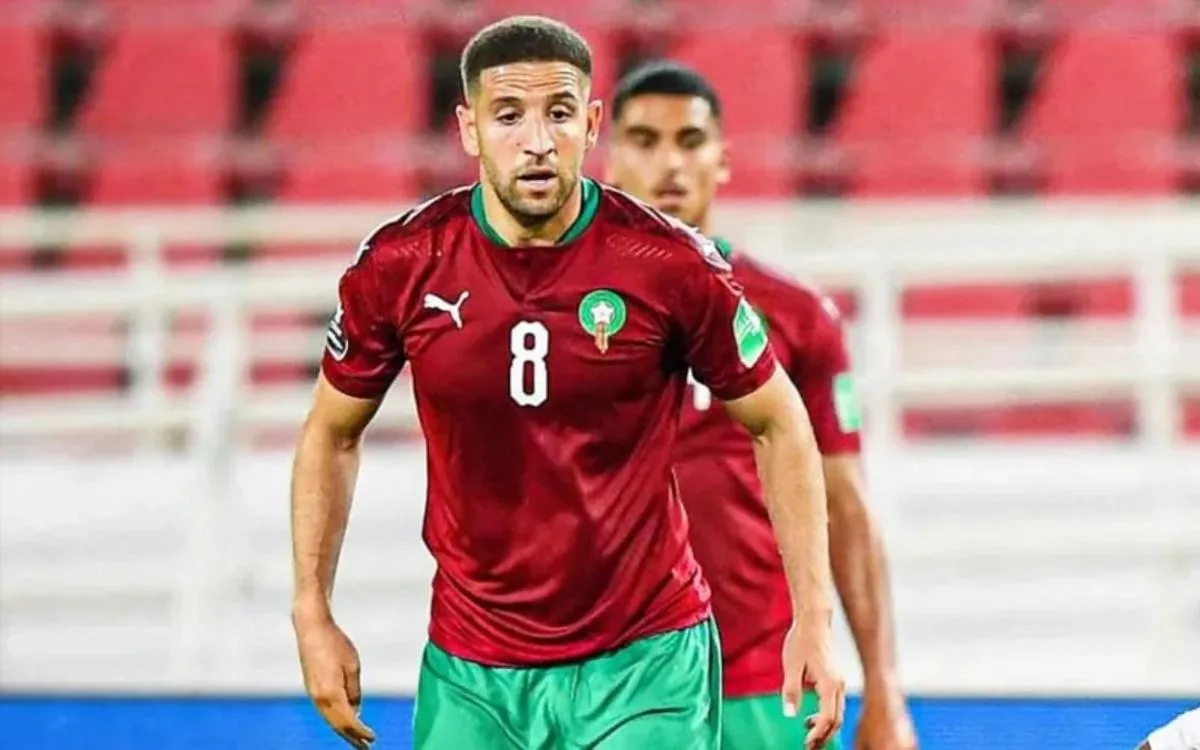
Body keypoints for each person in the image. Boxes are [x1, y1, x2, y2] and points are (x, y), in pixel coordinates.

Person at [289, 16, 845, 750]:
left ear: (590, 124)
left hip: (646, 663)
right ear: (468, 129)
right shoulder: (401, 265)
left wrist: (812, 615)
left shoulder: (668, 264)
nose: (538, 141)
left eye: (558, 114)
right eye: (508, 116)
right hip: (472, 667)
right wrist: (312, 611)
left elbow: (779, 419)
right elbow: (331, 432)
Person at [605, 60, 917, 750]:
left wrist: (885, 687)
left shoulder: (796, 316)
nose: (670, 162)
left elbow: (845, 506)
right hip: (612, 686)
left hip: (769, 685)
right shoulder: (562, 318)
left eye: (690, 141)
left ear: (722, 160)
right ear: (611, 160)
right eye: (646, 141)